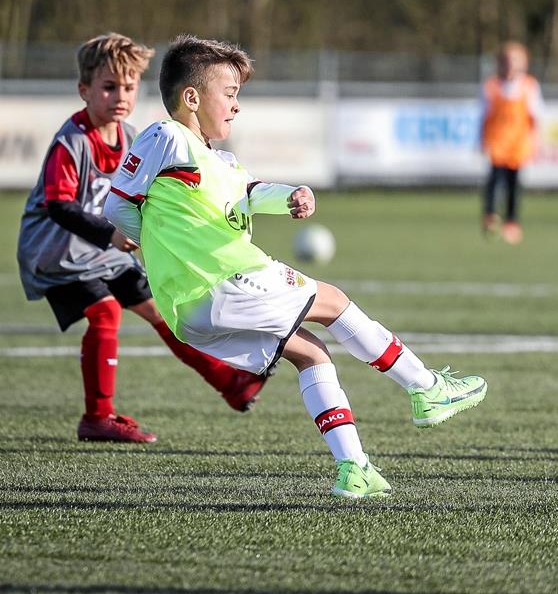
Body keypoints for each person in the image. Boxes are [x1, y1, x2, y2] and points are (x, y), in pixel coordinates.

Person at [105, 35, 487, 498]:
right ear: (191, 97)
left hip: (191, 310)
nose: (236, 105)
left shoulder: (219, 161)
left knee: (311, 354)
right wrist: (145, 238)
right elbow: (119, 204)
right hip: (224, 279)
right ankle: (427, 388)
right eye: (229, 93)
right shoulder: (168, 137)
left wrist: (291, 195)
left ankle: (355, 469)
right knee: (336, 304)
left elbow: (247, 191)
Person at [17, 33, 268, 444]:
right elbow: (59, 206)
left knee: (161, 310)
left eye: (129, 86)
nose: (121, 95)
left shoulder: (134, 137)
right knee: (105, 313)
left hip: (102, 250)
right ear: (84, 91)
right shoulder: (73, 141)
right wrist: (112, 234)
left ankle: (232, 383)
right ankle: (97, 418)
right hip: (57, 252)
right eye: (109, 86)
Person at [480, 41, 543, 244]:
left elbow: (536, 117)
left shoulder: (529, 86)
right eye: (507, 61)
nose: (511, 65)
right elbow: (483, 115)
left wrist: (536, 142)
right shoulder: (491, 86)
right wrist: (481, 141)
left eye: (516, 61)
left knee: (513, 184)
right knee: (493, 180)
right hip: (497, 143)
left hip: (518, 144)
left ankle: (512, 222)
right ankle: (489, 215)